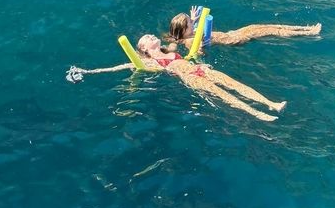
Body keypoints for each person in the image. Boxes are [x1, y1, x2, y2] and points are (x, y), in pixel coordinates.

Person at [67, 34, 286, 123]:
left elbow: (180, 42)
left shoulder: (170, 50)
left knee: (237, 85)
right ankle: (257, 114)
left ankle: (271, 104)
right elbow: (118, 67)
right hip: (189, 77)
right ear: (142, 49)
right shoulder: (148, 62)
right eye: (147, 39)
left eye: (151, 35)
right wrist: (88, 72)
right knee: (223, 95)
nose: (152, 36)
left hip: (201, 68)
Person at [166, 9, 321, 50]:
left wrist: (193, 19)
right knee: (270, 31)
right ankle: (308, 33)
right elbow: (199, 51)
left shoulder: (185, 35)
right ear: (184, 30)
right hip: (235, 39)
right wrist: (202, 47)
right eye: (189, 22)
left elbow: (190, 32)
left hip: (232, 33)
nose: (192, 23)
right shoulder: (189, 41)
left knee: (260, 26)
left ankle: (304, 28)